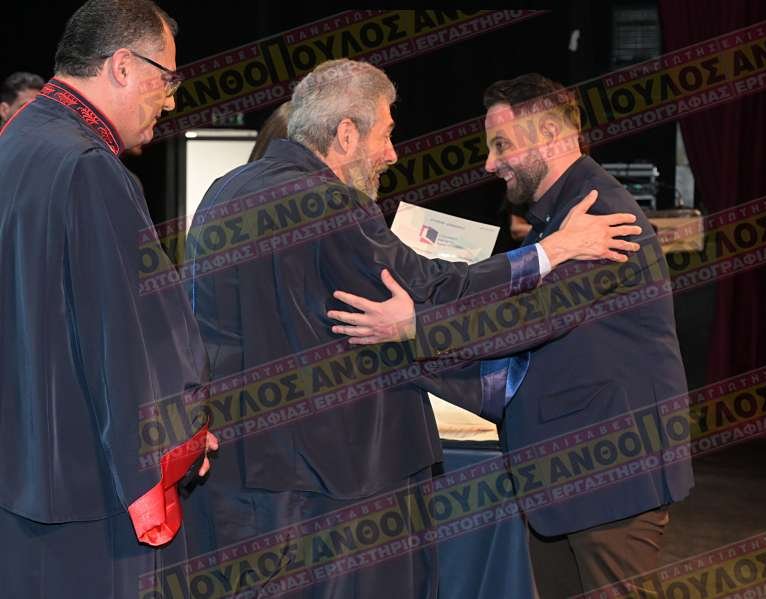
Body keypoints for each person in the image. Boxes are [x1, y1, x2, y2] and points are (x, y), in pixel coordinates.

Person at [182, 59, 642, 598]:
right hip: (335, 487)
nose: (392, 154)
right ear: (347, 134)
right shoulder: (330, 201)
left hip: (235, 475)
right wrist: (548, 252)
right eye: (386, 133)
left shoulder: (223, 192)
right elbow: (431, 287)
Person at [331, 73, 694, 598]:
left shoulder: (602, 218)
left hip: (610, 476)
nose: (489, 163)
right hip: (570, 480)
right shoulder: (560, 219)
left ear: (548, 135)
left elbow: (527, 319)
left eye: (501, 145)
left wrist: (413, 327)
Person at [0, 1, 216, 597]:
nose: (169, 101)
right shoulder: (90, 167)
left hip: (20, 477)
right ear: (122, 66)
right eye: (166, 78)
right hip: (86, 495)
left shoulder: (17, 141)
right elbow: (132, 339)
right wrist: (184, 434)